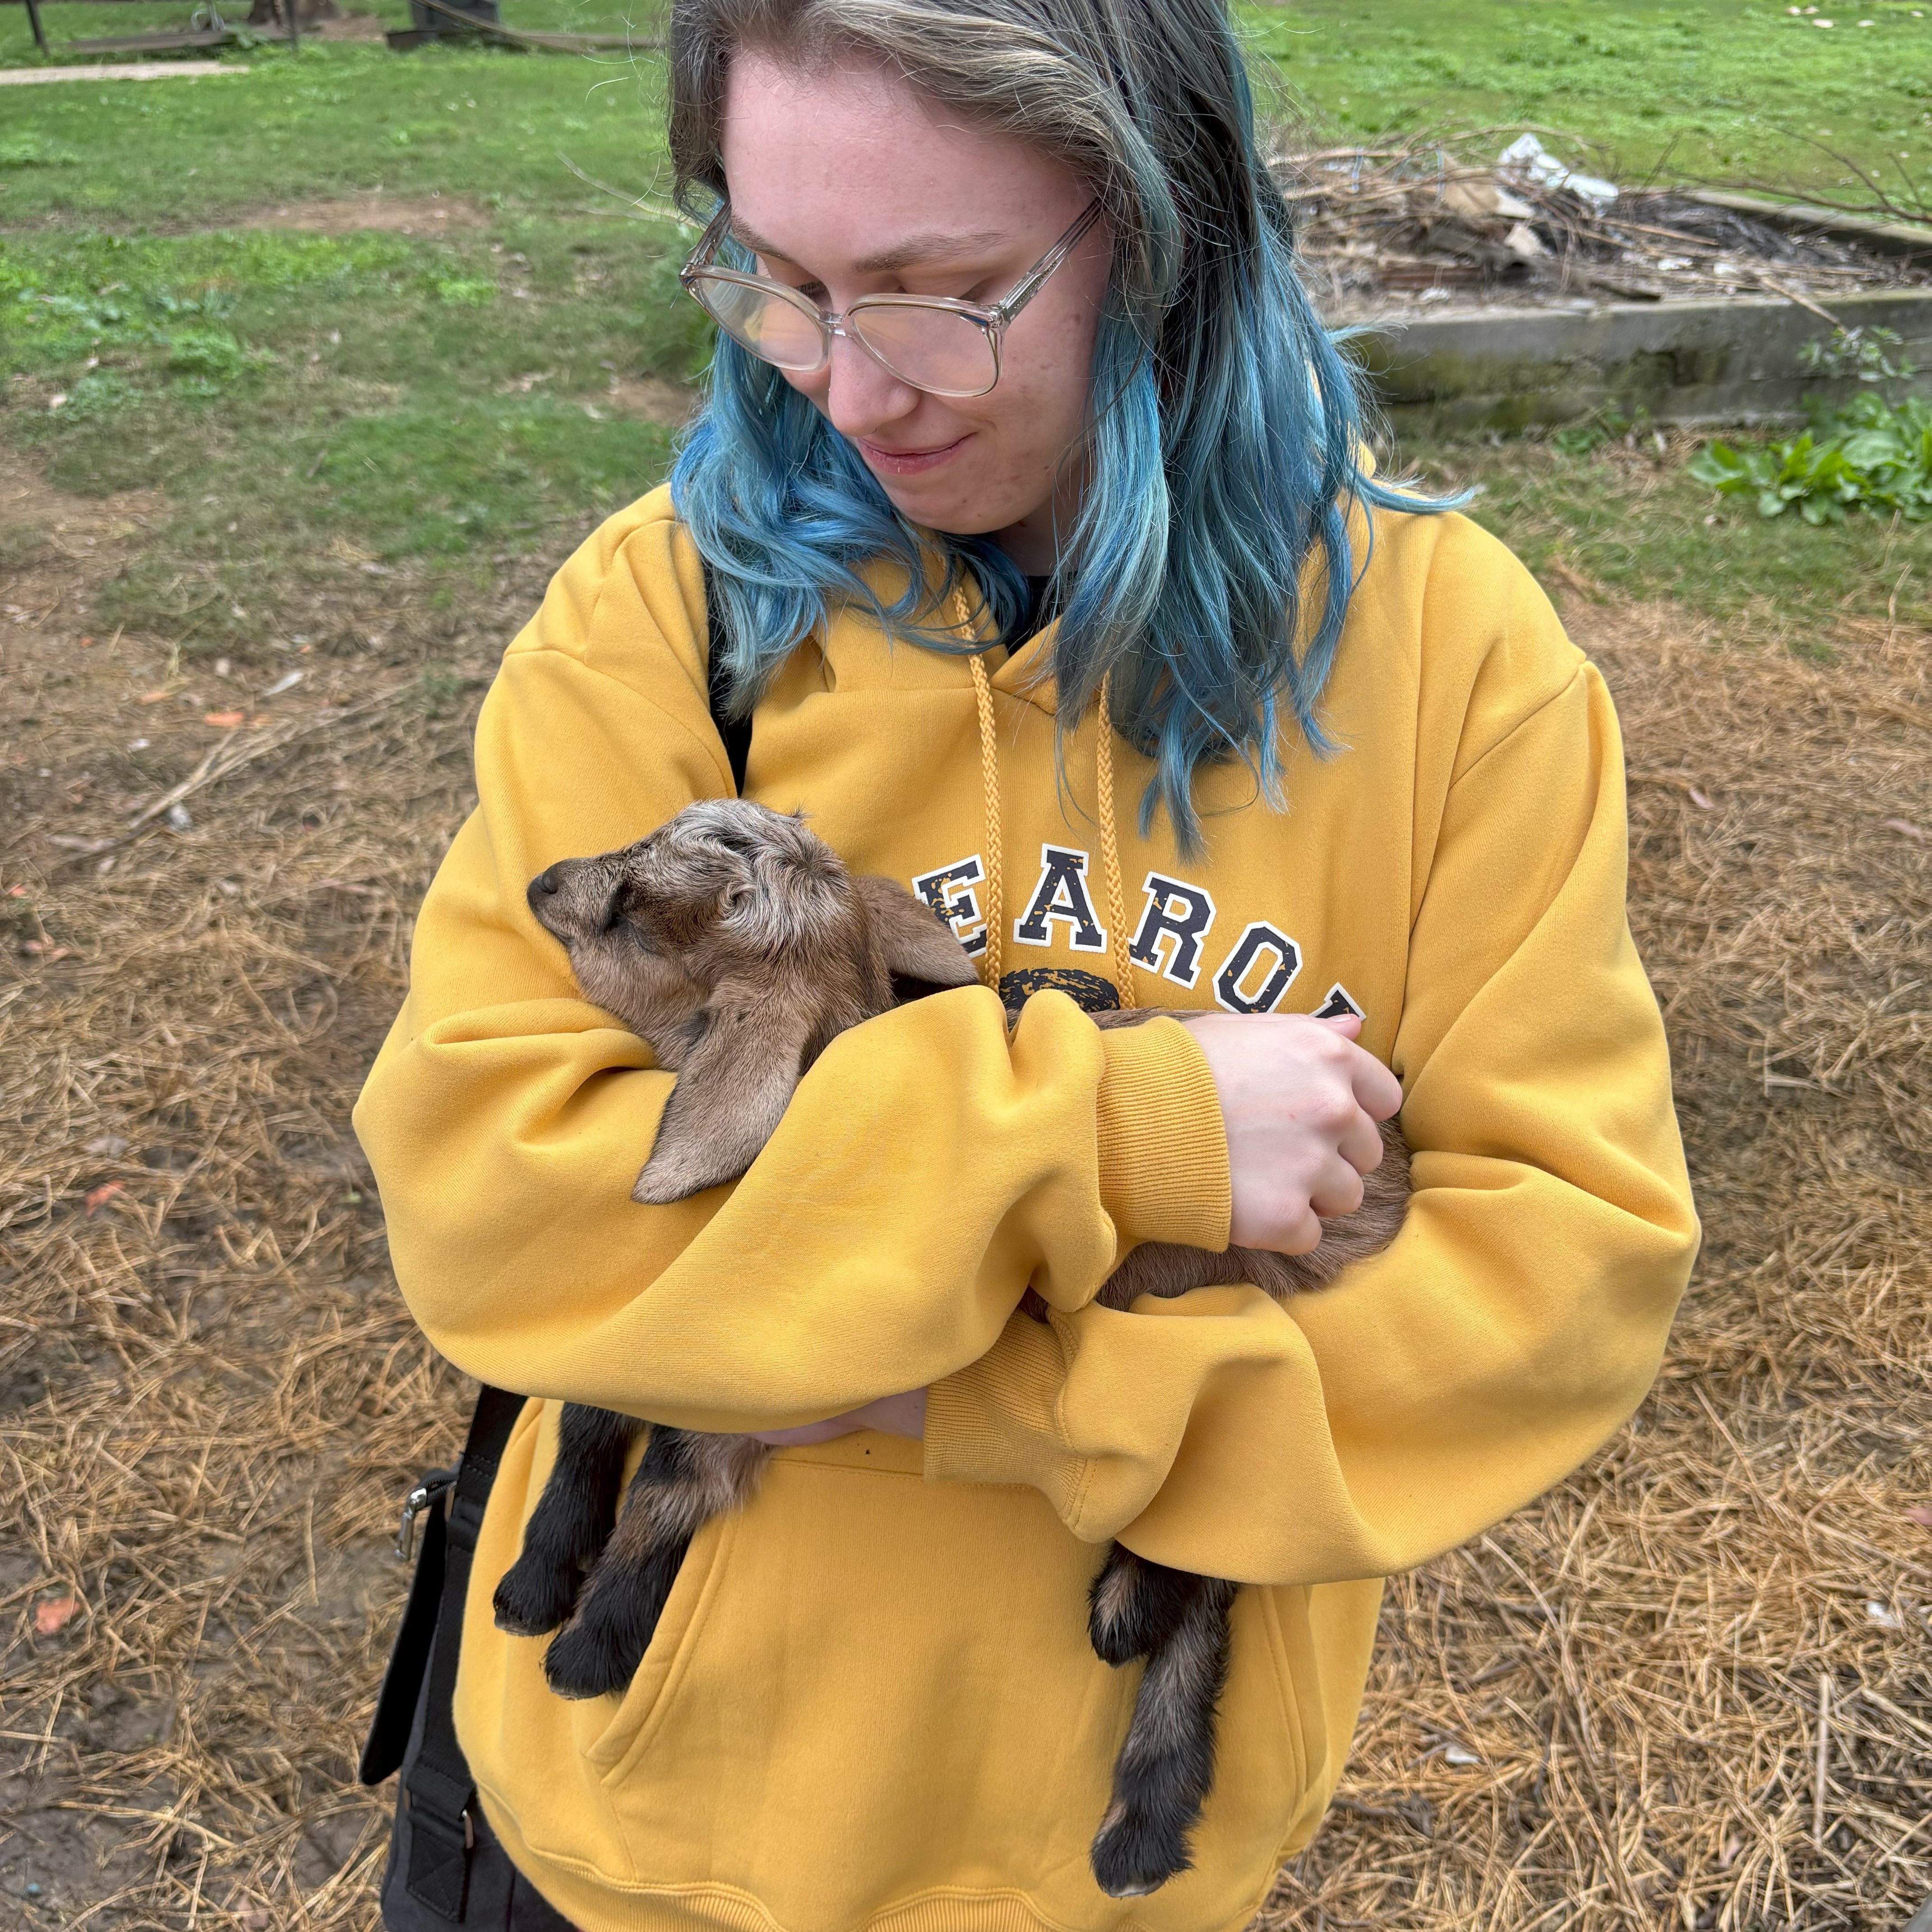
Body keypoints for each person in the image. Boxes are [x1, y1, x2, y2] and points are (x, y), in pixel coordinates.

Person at [353, 0, 1699, 1927]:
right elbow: (496, 1202)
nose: (847, 385)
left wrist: (970, 1397)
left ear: (1163, 230)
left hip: (1105, 1875)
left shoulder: (1453, 662)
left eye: (940, 292)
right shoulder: (668, 613)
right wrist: (1125, 1136)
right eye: (777, 275)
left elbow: (1560, 1273)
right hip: (620, 1839)